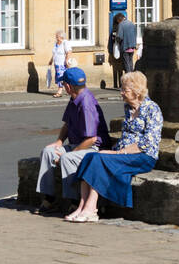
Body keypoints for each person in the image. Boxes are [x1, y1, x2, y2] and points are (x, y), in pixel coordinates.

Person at [66, 71, 163, 222]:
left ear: (137, 91)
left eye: (125, 90)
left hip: (142, 156)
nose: (121, 93)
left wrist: (118, 153)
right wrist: (114, 150)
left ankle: (91, 209)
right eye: (121, 89)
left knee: (100, 159)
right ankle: (82, 206)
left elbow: (147, 143)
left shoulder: (152, 109)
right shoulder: (129, 108)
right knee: (90, 156)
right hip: (125, 153)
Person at [36, 67, 109, 212]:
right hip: (78, 145)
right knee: (48, 152)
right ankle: (49, 198)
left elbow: (92, 139)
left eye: (63, 84)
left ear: (68, 86)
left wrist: (70, 152)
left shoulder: (86, 104)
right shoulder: (74, 98)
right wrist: (59, 142)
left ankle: (75, 202)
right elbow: (67, 124)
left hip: (92, 148)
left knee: (67, 159)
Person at [50, 30, 73, 97]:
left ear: (61, 37)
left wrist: (66, 60)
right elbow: (54, 53)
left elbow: (69, 51)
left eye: (57, 36)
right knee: (64, 79)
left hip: (62, 64)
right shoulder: (56, 43)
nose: (56, 38)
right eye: (56, 36)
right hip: (56, 64)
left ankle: (59, 92)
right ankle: (70, 91)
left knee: (61, 78)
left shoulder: (65, 43)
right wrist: (51, 60)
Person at [107, 15, 125, 89]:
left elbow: (110, 42)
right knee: (120, 68)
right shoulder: (120, 29)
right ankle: (120, 84)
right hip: (119, 50)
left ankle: (115, 84)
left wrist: (110, 51)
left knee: (115, 68)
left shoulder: (113, 30)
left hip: (113, 51)